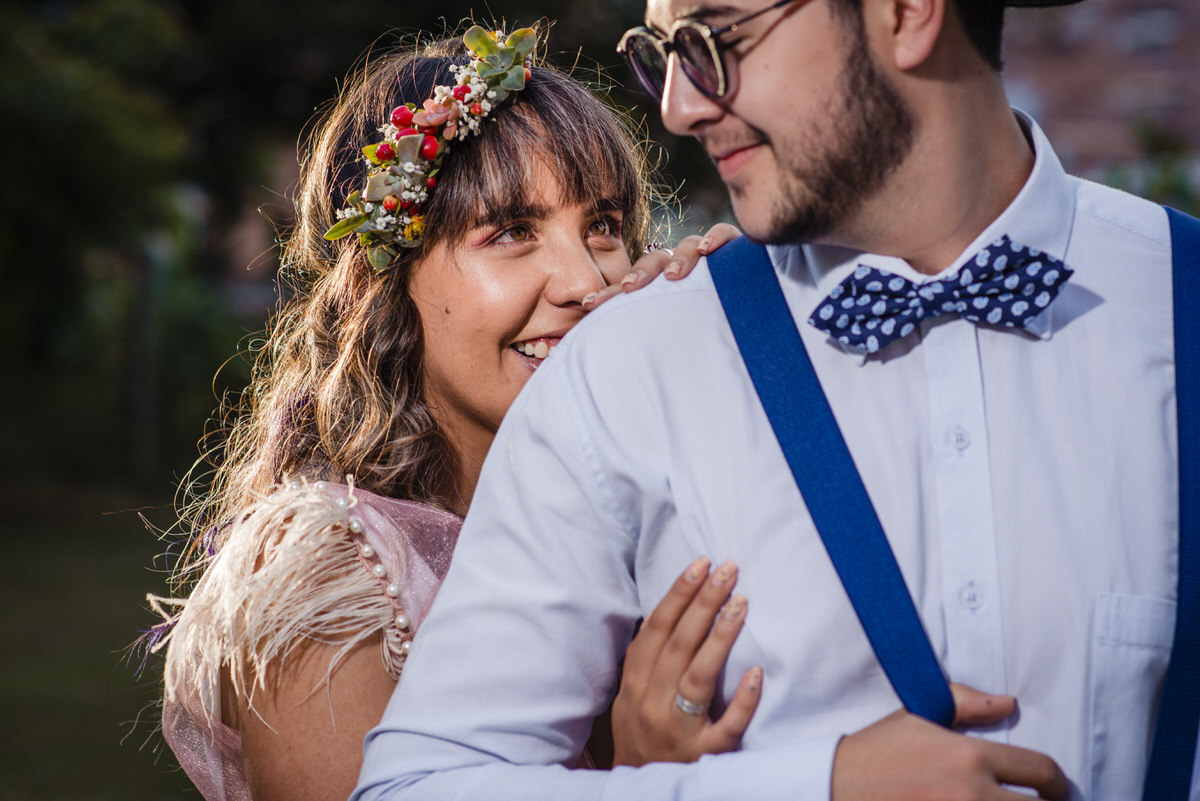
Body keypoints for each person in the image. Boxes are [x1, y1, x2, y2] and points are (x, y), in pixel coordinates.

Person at [352, 0, 1196, 799]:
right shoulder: (626, 372)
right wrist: (810, 786)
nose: (679, 108)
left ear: (907, 12)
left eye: (717, 39)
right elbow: (420, 784)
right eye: (665, 56)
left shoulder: (1179, 306)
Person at [145, 27, 755, 801]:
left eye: (601, 225)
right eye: (511, 232)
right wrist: (645, 777)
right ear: (388, 282)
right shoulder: (333, 582)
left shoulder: (632, 511)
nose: (587, 281)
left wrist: (746, 362)